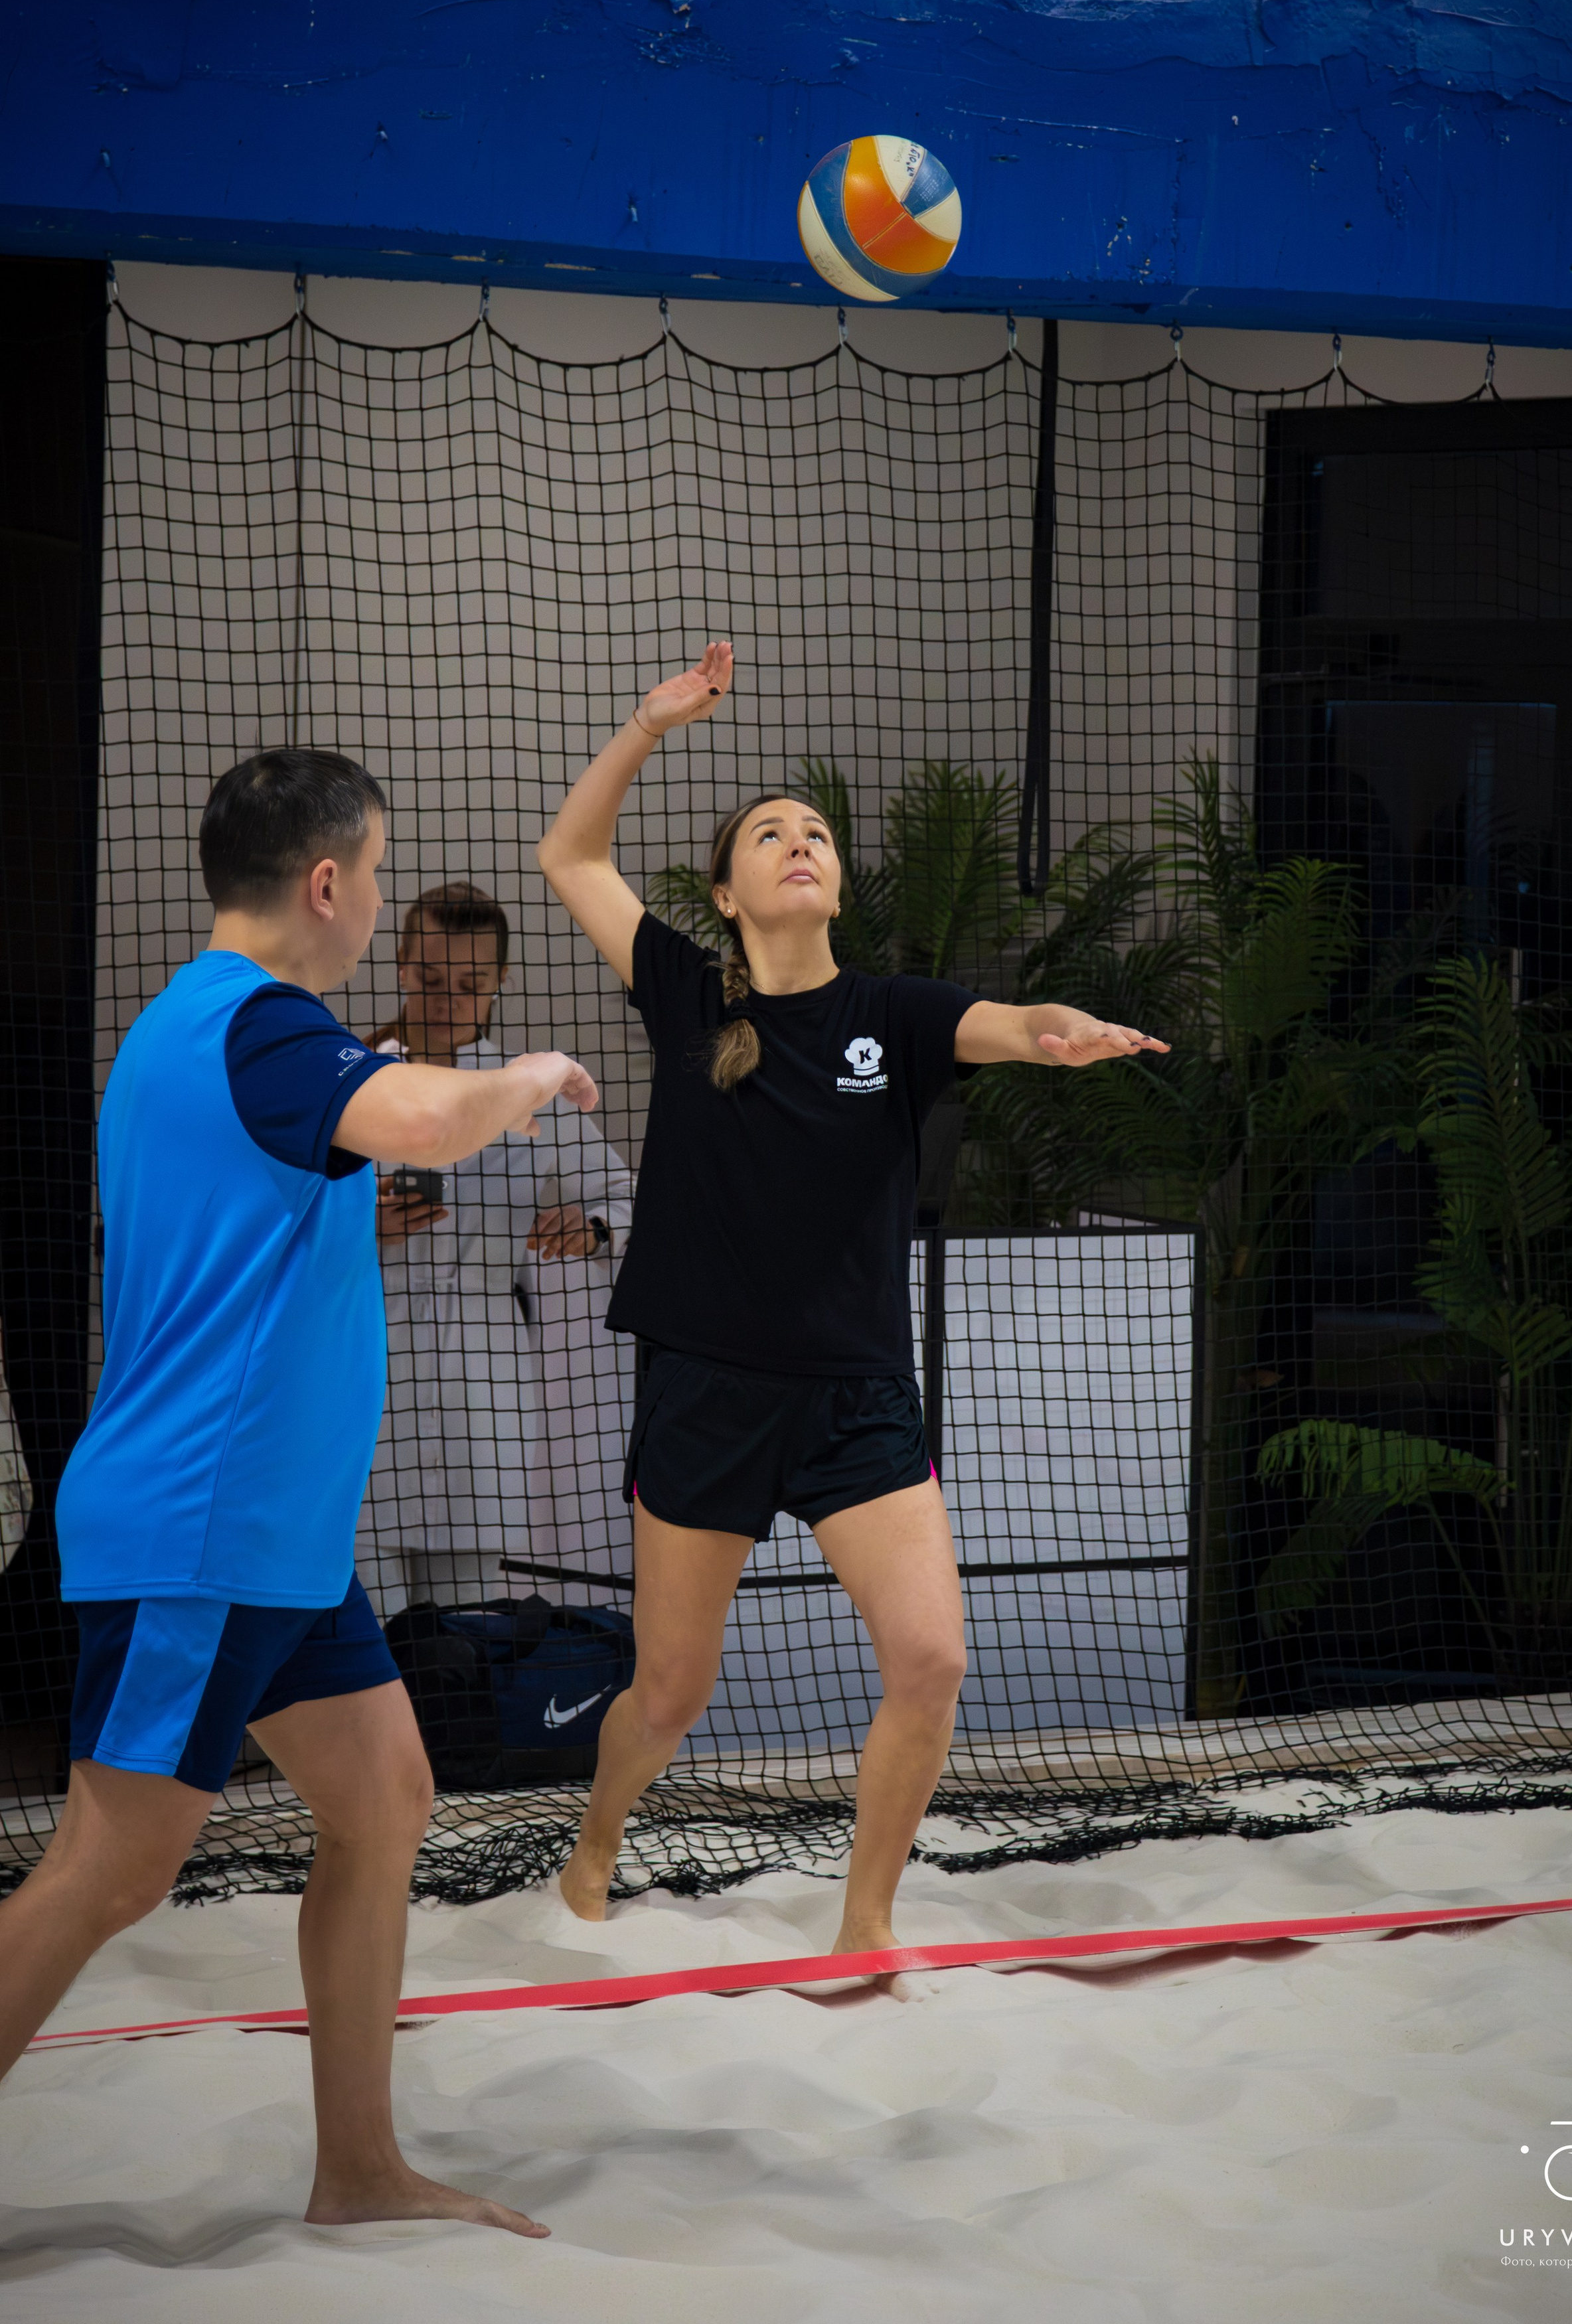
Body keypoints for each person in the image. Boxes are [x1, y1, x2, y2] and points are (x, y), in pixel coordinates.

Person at [0, 747, 595, 2238]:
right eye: (377, 875)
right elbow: (426, 1122)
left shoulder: (180, 1030)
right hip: (202, 1530)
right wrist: (521, 1075)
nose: (380, 903)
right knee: (107, 1874)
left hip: (276, 1542)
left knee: (384, 1800)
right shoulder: (262, 1026)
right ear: (324, 884)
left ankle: (358, 2175)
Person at [536, 644, 1170, 1952]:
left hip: (858, 1397)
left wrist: (1063, 1027)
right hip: (705, 1388)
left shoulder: (896, 1009)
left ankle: (864, 1927)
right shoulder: (683, 991)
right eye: (770, 833)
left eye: (815, 832)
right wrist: (650, 721)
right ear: (728, 889)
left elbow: (1009, 1018)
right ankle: (595, 1844)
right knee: (665, 1697)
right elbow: (570, 859)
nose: (800, 843)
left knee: (930, 1663)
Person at [356, 882, 634, 1618]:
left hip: (486, 1393)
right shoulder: (352, 1079)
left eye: (471, 984)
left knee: (466, 1642)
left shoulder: (528, 1093)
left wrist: (595, 1228)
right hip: (358, 1377)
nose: (449, 997)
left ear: (500, 984)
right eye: (432, 978)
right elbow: (275, 1217)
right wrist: (359, 1225)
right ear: (403, 967)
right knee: (359, 1627)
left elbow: (633, 1200)